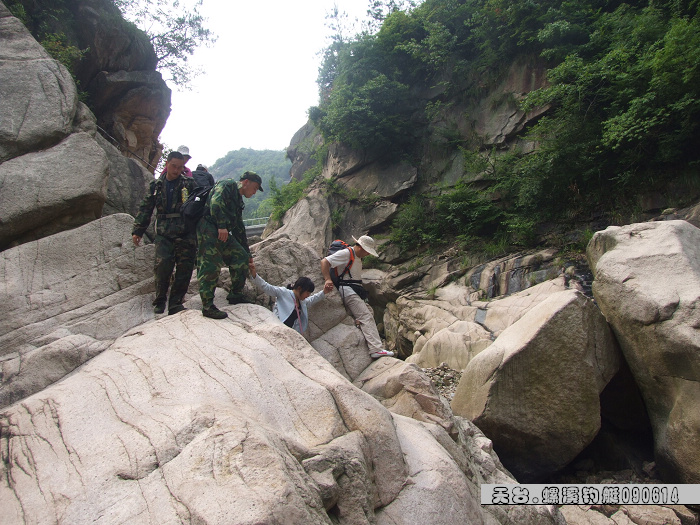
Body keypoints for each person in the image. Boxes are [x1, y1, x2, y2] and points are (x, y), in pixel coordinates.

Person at [132, 151, 197, 315]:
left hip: (185, 232)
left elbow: (199, 206)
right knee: (162, 267)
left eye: (180, 167)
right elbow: (146, 208)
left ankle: (175, 303)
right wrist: (138, 230)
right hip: (164, 232)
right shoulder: (157, 185)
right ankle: (160, 300)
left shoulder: (189, 184)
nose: (176, 170)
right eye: (173, 166)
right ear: (167, 164)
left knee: (185, 268)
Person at [196, 171, 263, 319]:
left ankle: (236, 294)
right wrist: (221, 225)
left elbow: (239, 228)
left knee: (241, 257)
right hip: (209, 229)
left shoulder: (238, 200)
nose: (255, 192)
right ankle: (207, 306)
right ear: (246, 182)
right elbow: (215, 202)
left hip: (223, 233)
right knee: (210, 266)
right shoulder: (228, 185)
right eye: (255, 187)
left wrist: (248, 254)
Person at [321, 235, 395, 359]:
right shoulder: (346, 253)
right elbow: (325, 261)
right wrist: (327, 279)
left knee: (367, 313)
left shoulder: (357, 257)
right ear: (362, 248)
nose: (368, 255)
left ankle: (369, 342)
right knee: (365, 316)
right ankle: (376, 349)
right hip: (347, 290)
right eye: (368, 252)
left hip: (354, 290)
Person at [249, 261, 328, 334]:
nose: (308, 295)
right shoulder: (284, 293)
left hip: (289, 333)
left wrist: (324, 292)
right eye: (307, 292)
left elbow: (312, 300)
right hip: (276, 329)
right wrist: (254, 275)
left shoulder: (301, 301)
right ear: (299, 288)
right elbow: (267, 287)